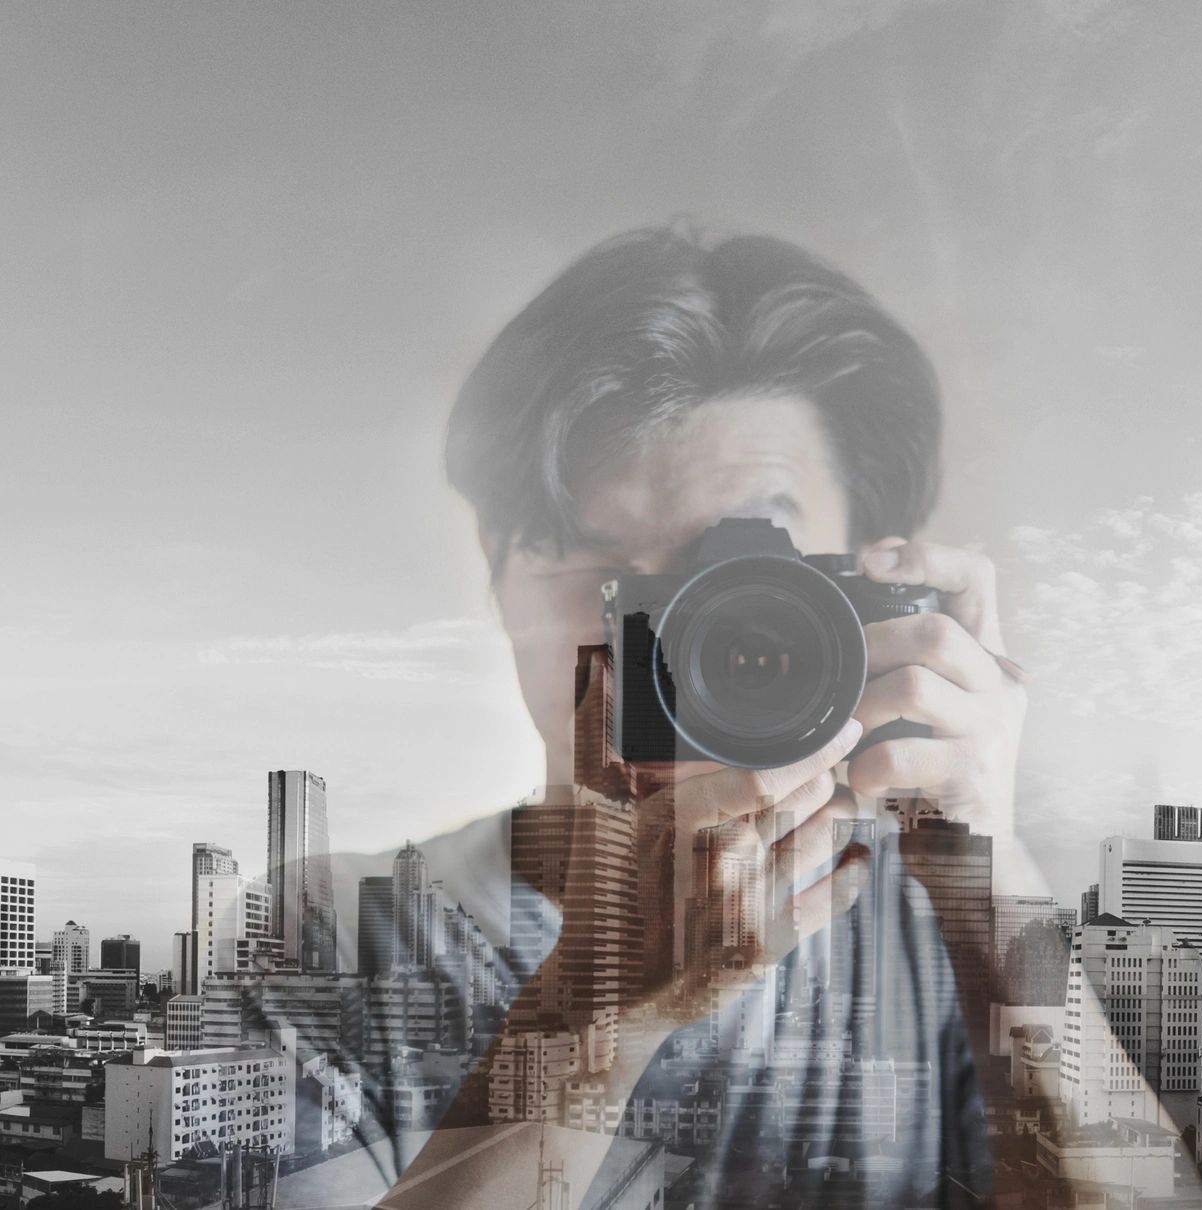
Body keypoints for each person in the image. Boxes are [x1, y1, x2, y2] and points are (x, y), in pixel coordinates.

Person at [266, 224, 1108, 1208]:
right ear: (499, 571)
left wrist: (994, 885)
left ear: (876, 583)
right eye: (606, 578)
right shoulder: (331, 937)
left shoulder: (936, 927)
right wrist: (594, 1019)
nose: (670, 641)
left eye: (743, 580)